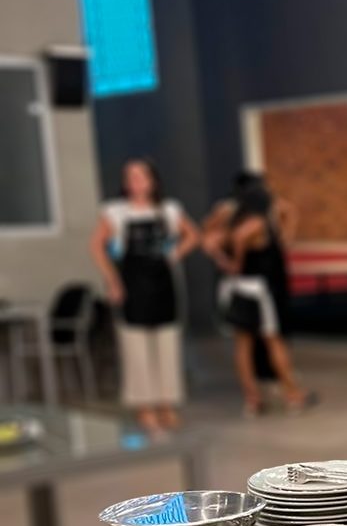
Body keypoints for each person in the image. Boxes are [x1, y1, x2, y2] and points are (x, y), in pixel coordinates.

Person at [89, 158, 200, 432]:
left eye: (140, 176)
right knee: (135, 345)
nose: (135, 182)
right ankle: (144, 406)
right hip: (132, 284)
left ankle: (167, 403)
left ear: (153, 181)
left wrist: (174, 255)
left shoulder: (170, 210)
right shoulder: (115, 212)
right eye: (130, 177)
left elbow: (193, 235)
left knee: (167, 342)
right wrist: (113, 281)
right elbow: (97, 247)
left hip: (164, 283)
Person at [209, 180, 313, 415]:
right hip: (258, 291)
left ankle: (252, 398)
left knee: (243, 344)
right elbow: (237, 251)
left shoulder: (233, 221)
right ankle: (292, 393)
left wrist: (221, 257)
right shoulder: (256, 223)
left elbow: (210, 240)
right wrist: (232, 260)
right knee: (273, 340)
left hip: (238, 289)